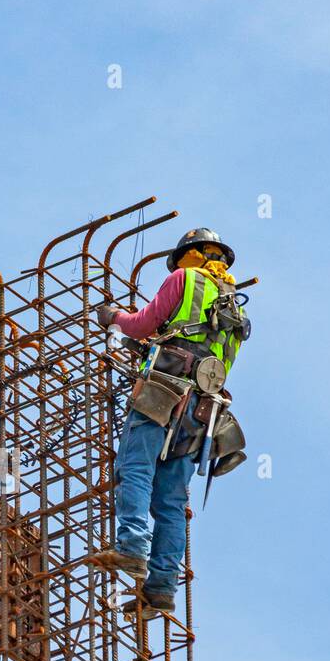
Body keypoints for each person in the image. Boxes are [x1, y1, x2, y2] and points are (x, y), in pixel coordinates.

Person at [95, 227, 249, 618]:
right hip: (203, 412)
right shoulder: (235, 308)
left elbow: (141, 324)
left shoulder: (184, 279)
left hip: (163, 391)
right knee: (172, 500)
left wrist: (113, 317)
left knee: (134, 467)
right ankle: (162, 587)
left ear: (188, 255)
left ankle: (132, 546)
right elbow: (197, 346)